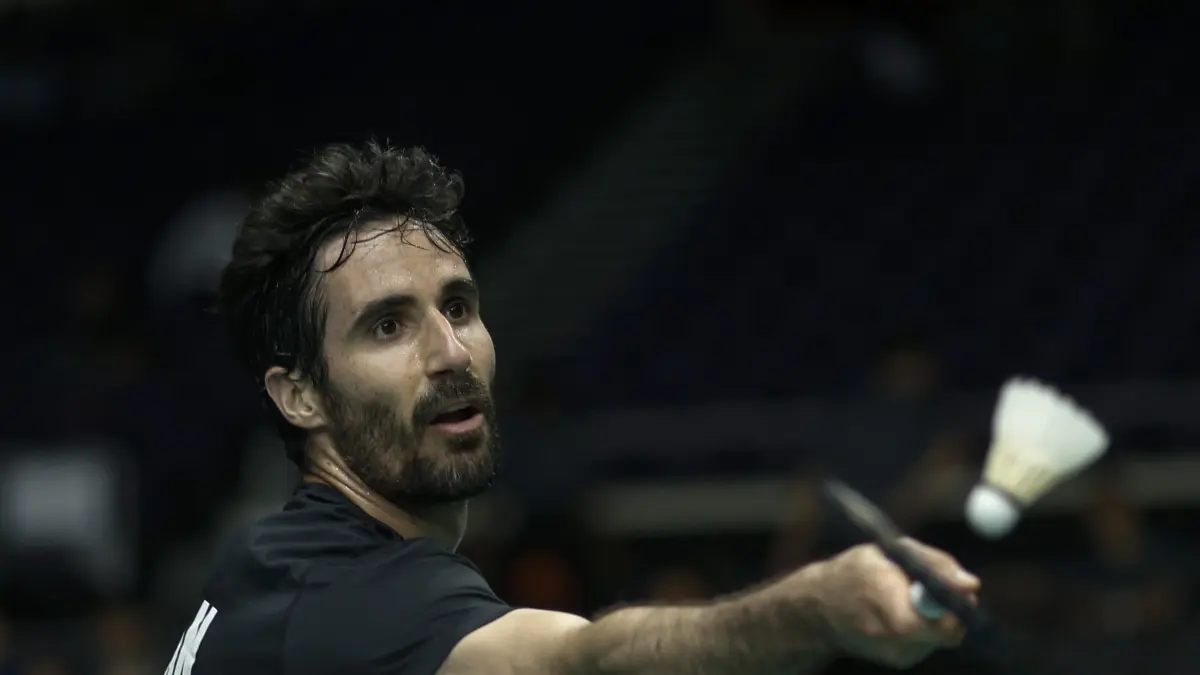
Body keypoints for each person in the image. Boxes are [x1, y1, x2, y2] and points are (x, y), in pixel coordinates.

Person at [172, 141, 982, 675]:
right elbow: (583, 661)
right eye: (387, 325)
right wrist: (814, 609)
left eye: (457, 307)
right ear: (300, 394)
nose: (451, 352)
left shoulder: (270, 564)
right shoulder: (358, 601)